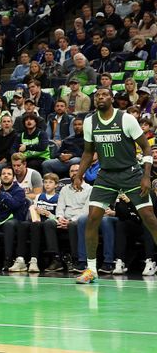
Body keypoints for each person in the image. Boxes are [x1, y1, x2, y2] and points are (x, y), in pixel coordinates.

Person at [73, 87, 157, 284]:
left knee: (149, 218)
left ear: (112, 99)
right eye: (97, 96)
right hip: (106, 176)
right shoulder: (89, 121)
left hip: (130, 173)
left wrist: (146, 175)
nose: (100, 98)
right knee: (92, 218)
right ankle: (91, 269)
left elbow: (146, 147)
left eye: (104, 95)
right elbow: (87, 152)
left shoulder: (126, 119)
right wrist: (79, 174)